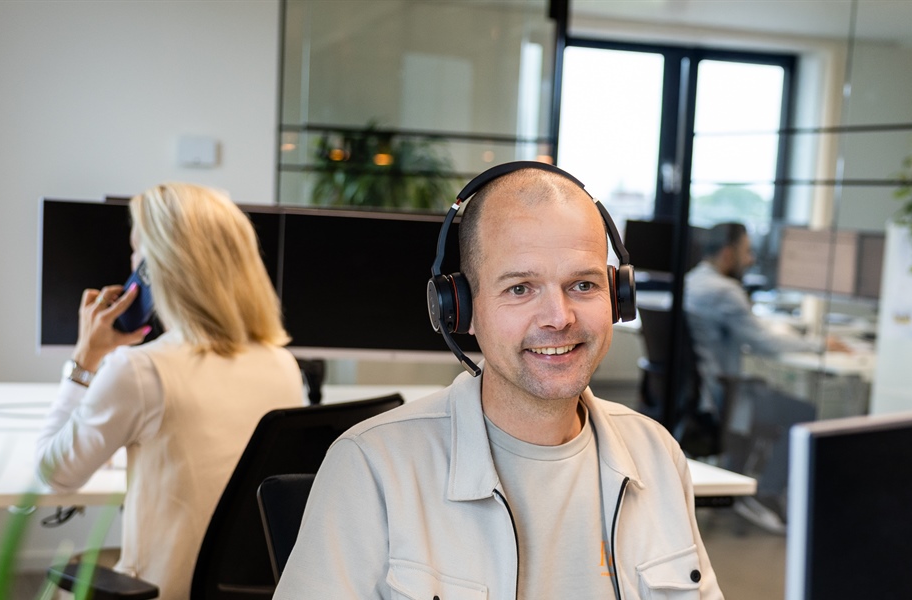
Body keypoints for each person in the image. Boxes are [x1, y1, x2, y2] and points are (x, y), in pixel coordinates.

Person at [275, 164, 722, 599]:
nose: (558, 318)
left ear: (617, 297)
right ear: (462, 310)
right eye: (520, 288)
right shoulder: (373, 467)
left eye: (583, 285)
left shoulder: (657, 455)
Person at [36, 183, 304, 599]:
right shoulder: (283, 365)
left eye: (136, 252)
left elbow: (55, 474)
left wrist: (84, 360)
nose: (131, 262)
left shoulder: (140, 369)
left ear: (153, 268)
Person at [681, 222, 843, 534]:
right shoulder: (724, 291)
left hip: (705, 393)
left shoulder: (691, 281)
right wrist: (819, 344)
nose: (752, 259)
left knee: (773, 395)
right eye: (747, 251)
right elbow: (764, 344)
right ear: (728, 254)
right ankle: (766, 495)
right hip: (724, 398)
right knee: (804, 413)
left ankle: (743, 487)